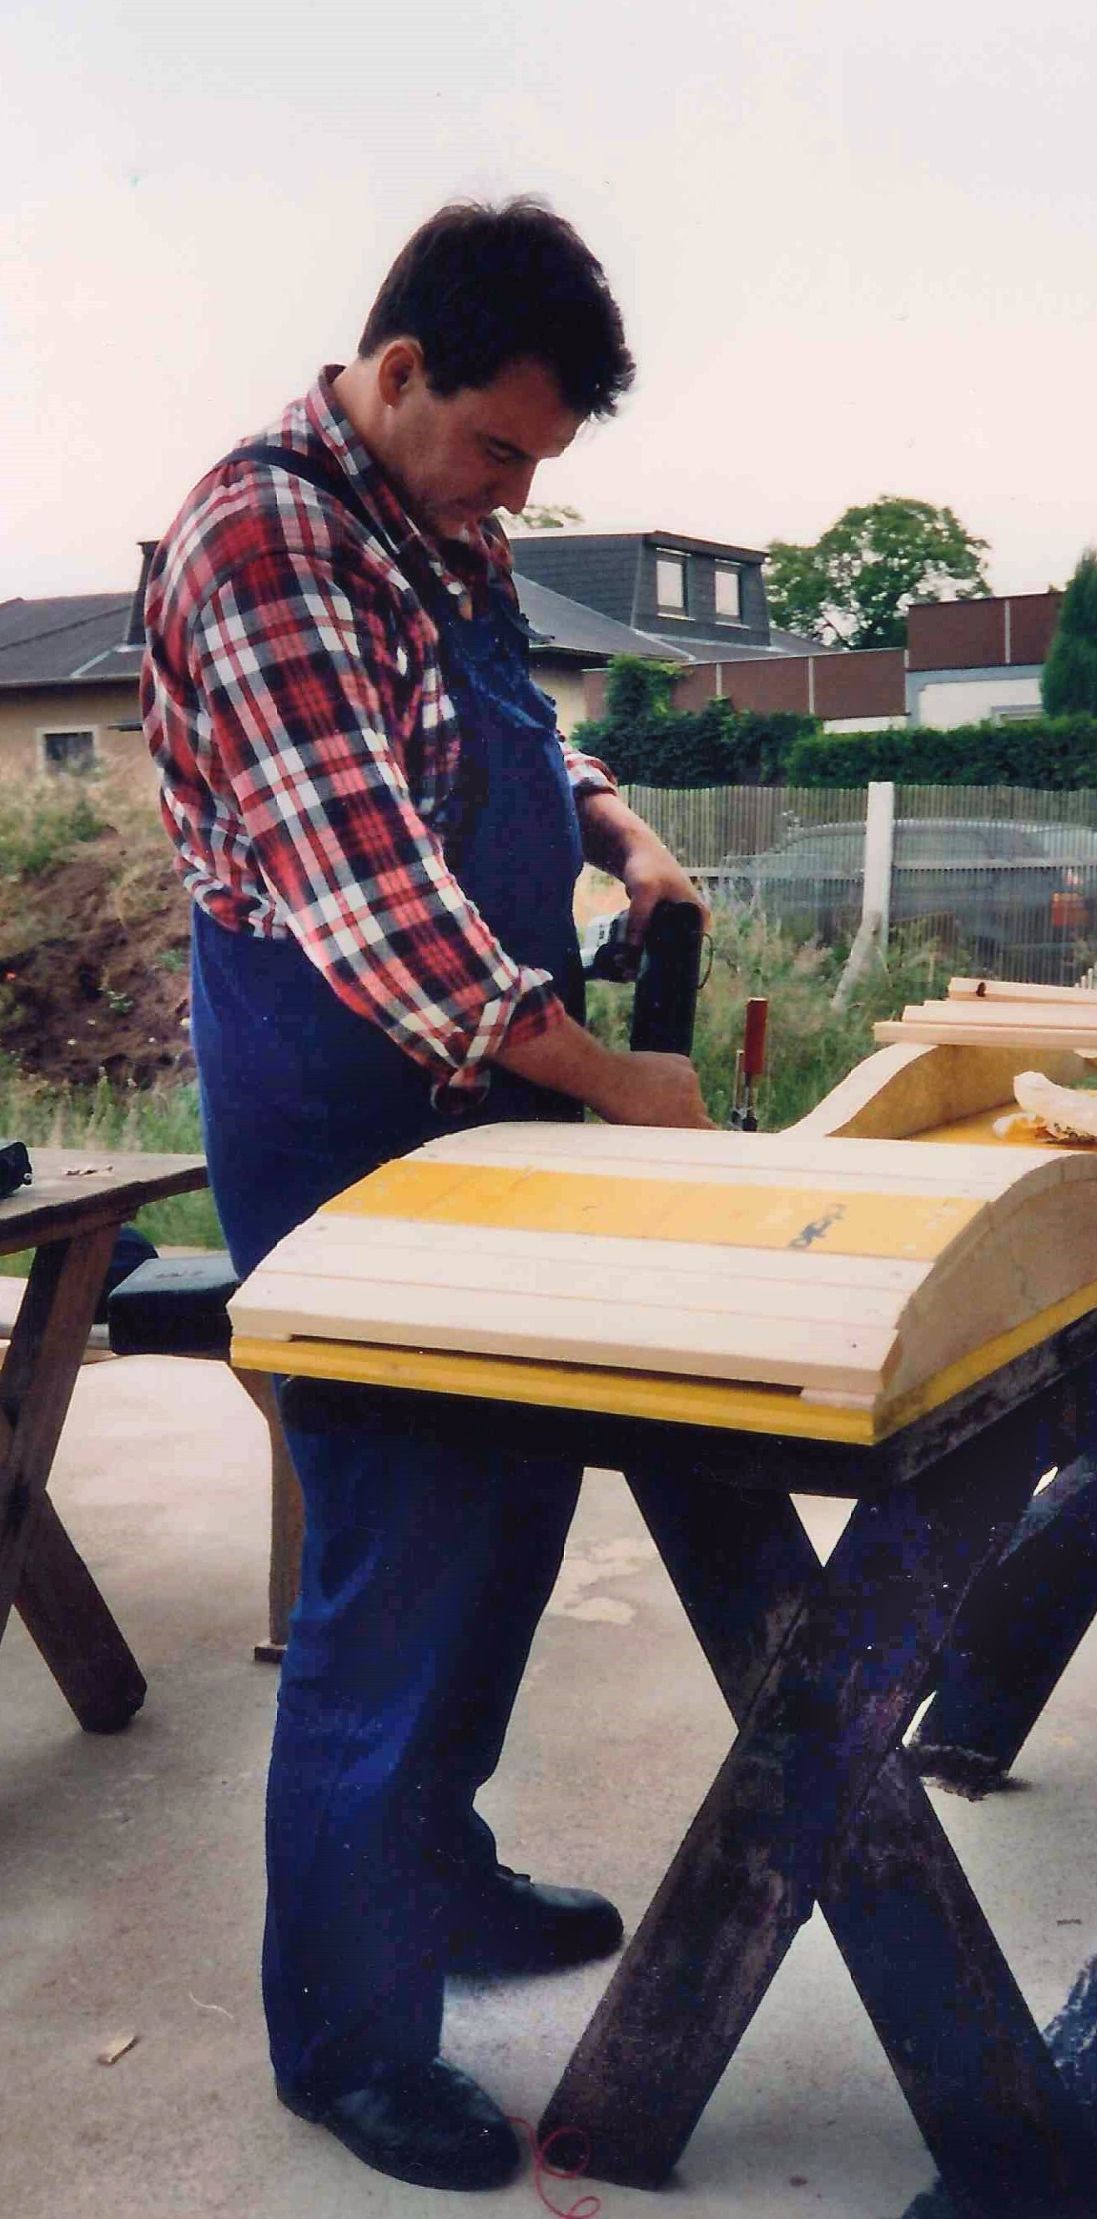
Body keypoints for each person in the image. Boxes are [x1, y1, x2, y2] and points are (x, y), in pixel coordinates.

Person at [141, 199, 712, 2193]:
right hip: (337, 1085)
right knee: (392, 1546)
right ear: (397, 374)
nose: (517, 492)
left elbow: (519, 735)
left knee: (515, 1490)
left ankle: (441, 1871)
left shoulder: (431, 523)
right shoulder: (264, 540)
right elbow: (387, 919)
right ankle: (348, 2033)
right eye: (499, 449)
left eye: (544, 466)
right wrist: (624, 1084)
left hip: (484, 1083)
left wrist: (620, 829)